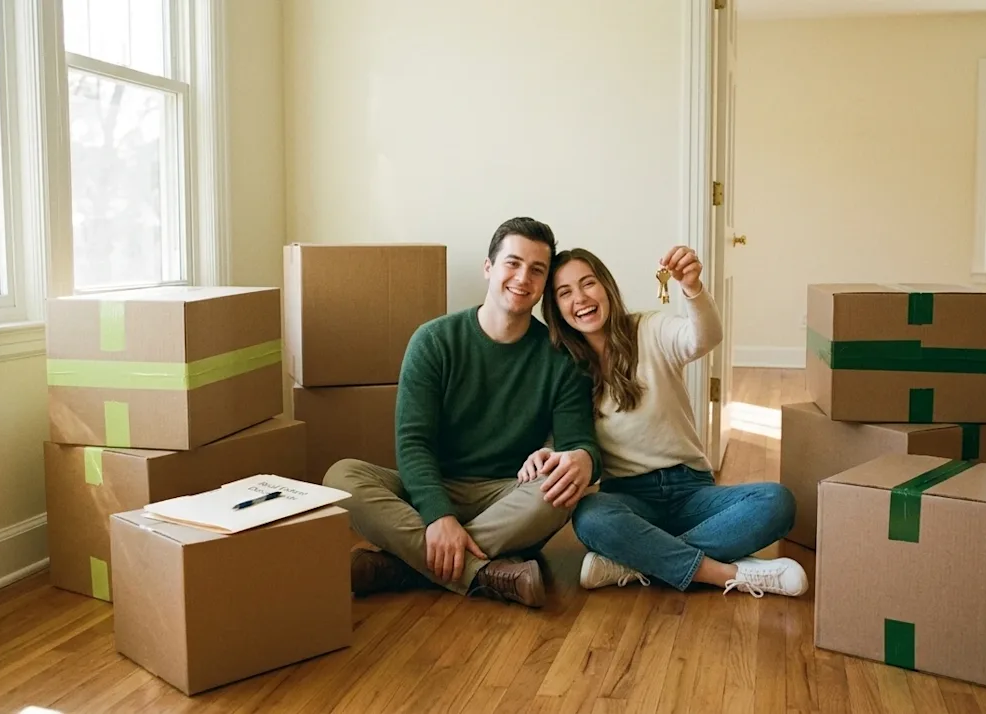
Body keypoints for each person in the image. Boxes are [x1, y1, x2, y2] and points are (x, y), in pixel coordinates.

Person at [324, 217, 602, 609]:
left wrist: (583, 459)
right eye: (513, 263)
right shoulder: (434, 341)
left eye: (537, 270)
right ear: (488, 268)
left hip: (508, 495)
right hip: (434, 485)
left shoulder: (562, 358)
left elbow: (578, 443)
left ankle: (405, 566)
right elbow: (413, 443)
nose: (523, 277)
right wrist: (439, 516)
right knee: (341, 478)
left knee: (560, 492)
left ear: (543, 285)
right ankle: (482, 573)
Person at [522, 244, 808, 598]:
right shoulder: (562, 369)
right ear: (555, 308)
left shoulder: (650, 328)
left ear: (606, 286)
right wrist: (545, 451)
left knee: (777, 501)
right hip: (629, 498)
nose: (580, 298)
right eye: (565, 292)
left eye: (588, 283)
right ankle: (723, 573)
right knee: (590, 515)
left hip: (692, 490)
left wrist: (692, 288)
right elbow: (568, 436)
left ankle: (634, 561)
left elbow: (705, 338)